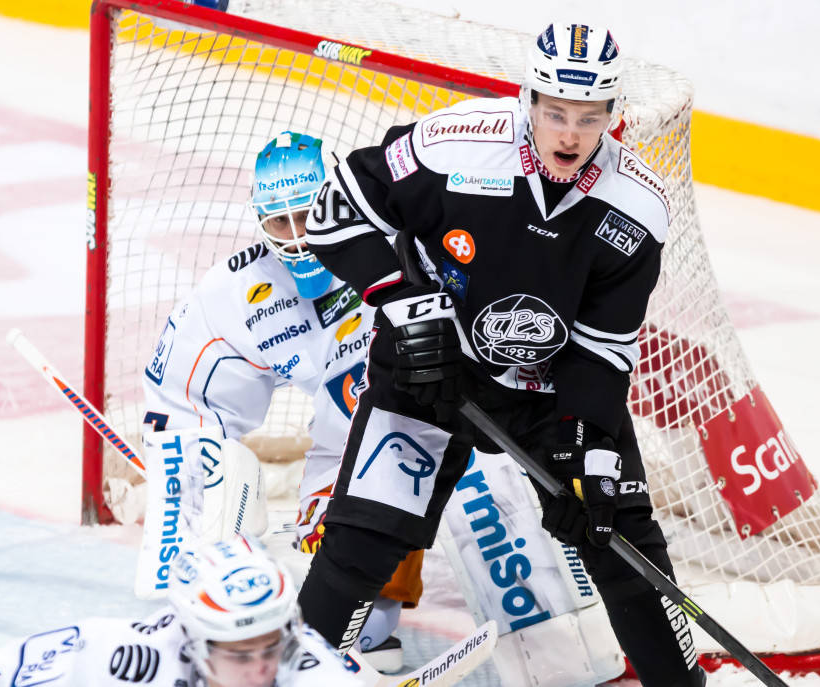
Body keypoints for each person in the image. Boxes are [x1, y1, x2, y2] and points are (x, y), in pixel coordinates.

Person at [299, 21, 707, 686]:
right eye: (554, 113)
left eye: (588, 116)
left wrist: (589, 460)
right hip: (427, 368)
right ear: (528, 101)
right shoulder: (454, 145)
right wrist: (406, 306)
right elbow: (333, 214)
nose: (569, 134)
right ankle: (293, 674)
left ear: (613, 114)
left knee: (622, 541)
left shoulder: (636, 208)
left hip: (548, 396)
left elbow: (600, 356)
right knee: (362, 536)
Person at [136, 131, 411, 670]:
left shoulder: (395, 240)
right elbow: (174, 402)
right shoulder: (232, 295)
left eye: (308, 215)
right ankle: (214, 632)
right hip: (336, 401)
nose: (298, 237)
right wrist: (185, 473)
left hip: (379, 402)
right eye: (278, 222)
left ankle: (544, 627)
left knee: (416, 447)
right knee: (212, 472)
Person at [0, 533, 362, 687]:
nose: (262, 668)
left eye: (271, 647)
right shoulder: (121, 657)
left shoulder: (321, 676)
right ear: (195, 641)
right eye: (241, 655)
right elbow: (2, 672)